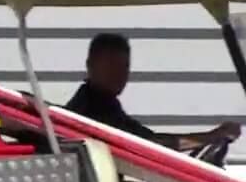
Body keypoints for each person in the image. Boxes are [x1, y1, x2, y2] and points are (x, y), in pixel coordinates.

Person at [65, 32, 241, 152]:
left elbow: (145, 138)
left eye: (124, 66)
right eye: (110, 65)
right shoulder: (92, 109)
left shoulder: (106, 103)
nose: (119, 73)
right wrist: (211, 136)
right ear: (90, 65)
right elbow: (149, 145)